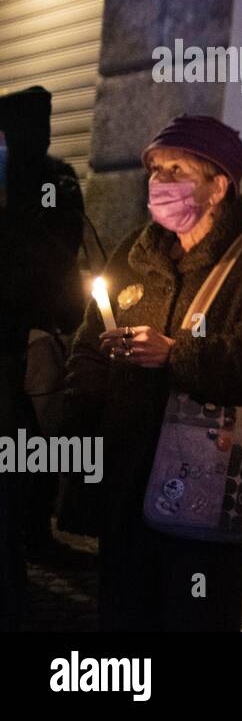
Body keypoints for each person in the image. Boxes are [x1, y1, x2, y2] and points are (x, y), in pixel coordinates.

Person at [62, 115, 242, 630]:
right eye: (155, 168)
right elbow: (86, 347)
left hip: (204, 485)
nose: (159, 180)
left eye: (177, 168)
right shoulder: (136, 249)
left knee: (193, 612)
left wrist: (176, 355)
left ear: (219, 185)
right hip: (126, 479)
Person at [0, 86, 86, 627]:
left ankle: (33, 534)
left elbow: (57, 251)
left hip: (32, 334)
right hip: (23, 333)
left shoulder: (53, 178)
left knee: (32, 438)